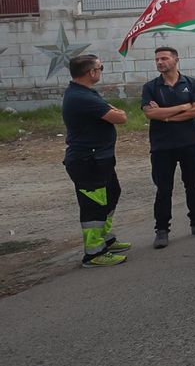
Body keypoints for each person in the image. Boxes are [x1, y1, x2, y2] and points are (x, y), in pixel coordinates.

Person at [140, 46, 195, 248]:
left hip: (189, 142)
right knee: (163, 188)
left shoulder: (191, 83)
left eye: (164, 58)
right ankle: (162, 229)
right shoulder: (150, 87)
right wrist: (183, 107)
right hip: (162, 146)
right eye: (157, 59)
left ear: (176, 60)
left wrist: (166, 116)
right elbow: (150, 114)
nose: (160, 62)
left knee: (193, 184)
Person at [62, 54, 130, 268]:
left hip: (100, 157)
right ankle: (93, 253)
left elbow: (112, 113)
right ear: (91, 72)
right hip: (87, 160)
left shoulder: (85, 93)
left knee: (111, 193)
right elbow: (120, 117)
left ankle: (105, 238)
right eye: (101, 67)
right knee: (93, 205)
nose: (101, 70)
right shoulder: (82, 97)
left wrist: (113, 111)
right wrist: (116, 112)